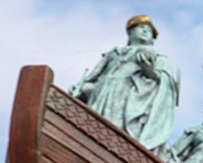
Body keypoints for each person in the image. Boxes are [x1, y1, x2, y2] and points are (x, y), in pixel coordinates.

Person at [70, 15, 180, 153]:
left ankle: (115, 150)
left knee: (113, 130)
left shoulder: (158, 57)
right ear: (130, 32)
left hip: (128, 94)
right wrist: (81, 87)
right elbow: (94, 75)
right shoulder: (114, 53)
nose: (145, 31)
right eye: (141, 27)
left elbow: (165, 83)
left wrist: (148, 69)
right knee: (93, 122)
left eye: (149, 31)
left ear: (152, 39)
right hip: (103, 91)